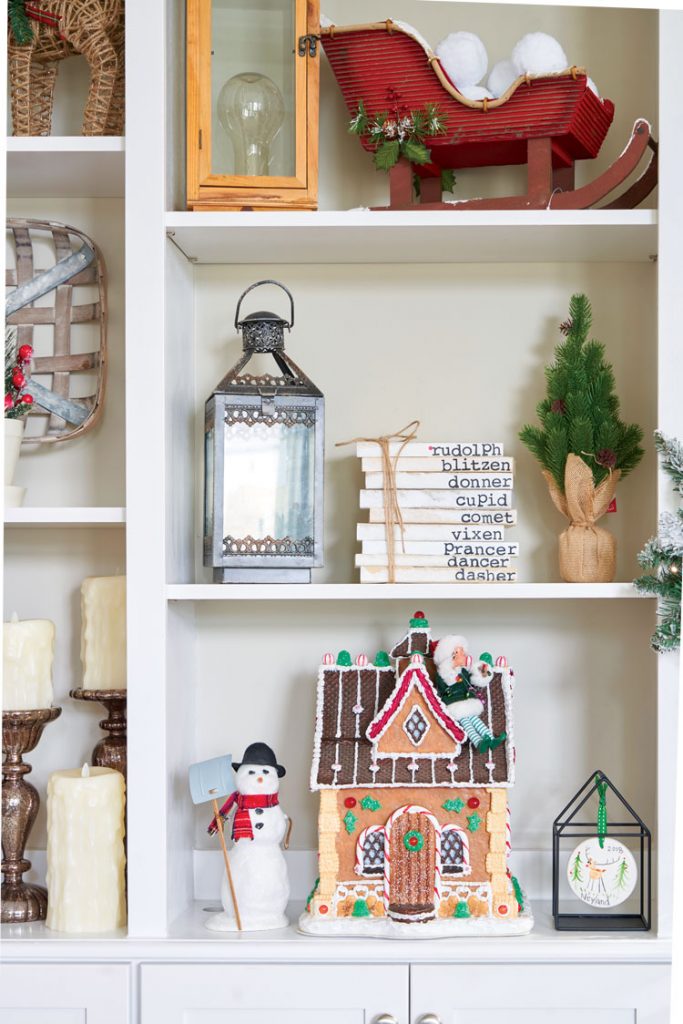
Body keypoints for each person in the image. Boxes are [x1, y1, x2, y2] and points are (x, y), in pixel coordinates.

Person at [432, 635, 506, 753]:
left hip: (466, 700)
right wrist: (451, 679)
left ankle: (491, 739)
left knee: (474, 719)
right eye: (461, 652)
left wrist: (482, 673)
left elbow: (473, 679)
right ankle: (478, 742)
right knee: (467, 723)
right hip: (453, 703)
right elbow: (441, 688)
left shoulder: (463, 671)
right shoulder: (443, 674)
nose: (464, 655)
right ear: (453, 655)